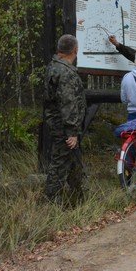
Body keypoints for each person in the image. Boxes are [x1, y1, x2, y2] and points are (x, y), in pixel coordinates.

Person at [44, 34, 87, 202]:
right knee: (60, 164)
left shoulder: (54, 66)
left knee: (74, 162)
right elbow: (68, 103)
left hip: (58, 124)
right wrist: (72, 132)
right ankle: (51, 202)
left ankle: (78, 200)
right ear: (75, 50)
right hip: (64, 128)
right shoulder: (65, 72)